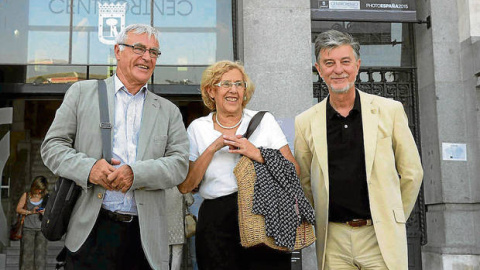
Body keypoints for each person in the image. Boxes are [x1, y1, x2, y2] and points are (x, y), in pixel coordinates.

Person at [41, 24, 189, 270]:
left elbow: (180, 164)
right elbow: (52, 147)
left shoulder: (168, 111)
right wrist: (89, 169)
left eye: (154, 52)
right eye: (139, 48)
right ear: (118, 51)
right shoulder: (81, 93)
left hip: (145, 238)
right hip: (91, 231)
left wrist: (136, 174)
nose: (147, 57)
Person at [294, 29, 424, 270]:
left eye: (345, 61)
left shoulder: (390, 110)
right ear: (319, 69)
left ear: (357, 65)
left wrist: (393, 217)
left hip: (379, 235)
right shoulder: (305, 121)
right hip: (333, 239)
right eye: (329, 63)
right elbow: (304, 181)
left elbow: (412, 172)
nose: (338, 70)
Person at [178, 60, 301, 270]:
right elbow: (186, 185)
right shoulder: (198, 128)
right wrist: (212, 148)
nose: (233, 90)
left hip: (264, 214)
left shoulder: (264, 120)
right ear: (211, 91)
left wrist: (256, 153)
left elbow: (294, 171)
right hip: (216, 221)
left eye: (239, 84)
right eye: (225, 84)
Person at [16, 175, 49, 270]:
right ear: (34, 186)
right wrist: (30, 212)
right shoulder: (26, 195)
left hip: (41, 230)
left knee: (40, 257)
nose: (39, 191)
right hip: (28, 230)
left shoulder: (47, 196)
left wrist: (44, 212)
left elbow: (51, 213)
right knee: (27, 257)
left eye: (41, 189)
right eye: (38, 188)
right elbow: (18, 209)